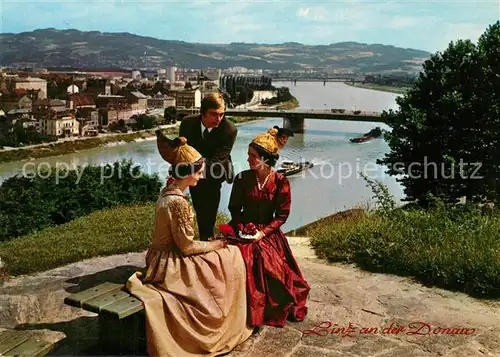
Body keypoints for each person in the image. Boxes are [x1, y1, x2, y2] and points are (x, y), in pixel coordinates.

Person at [126, 129, 253, 357]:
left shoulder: (169, 191)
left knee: (224, 257)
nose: (202, 175)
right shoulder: (178, 203)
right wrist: (216, 245)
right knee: (231, 256)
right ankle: (228, 318)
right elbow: (187, 247)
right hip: (169, 263)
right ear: (189, 173)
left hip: (160, 256)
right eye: (199, 171)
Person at [224, 127, 310, 328]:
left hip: (268, 233)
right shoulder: (242, 179)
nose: (248, 159)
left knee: (271, 267)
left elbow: (282, 215)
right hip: (242, 229)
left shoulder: (281, 182)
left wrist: (261, 233)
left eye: (252, 156)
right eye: (248, 155)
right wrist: (242, 228)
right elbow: (234, 208)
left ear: (265, 159)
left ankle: (263, 308)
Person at [179, 92, 238, 241]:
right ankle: (203, 238)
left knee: (210, 209)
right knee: (199, 208)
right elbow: (183, 153)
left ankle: (207, 239)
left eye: (221, 114)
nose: (218, 119)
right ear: (202, 112)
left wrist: (192, 169)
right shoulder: (187, 123)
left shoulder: (229, 129)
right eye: (213, 114)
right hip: (194, 171)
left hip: (215, 172)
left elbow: (218, 161)